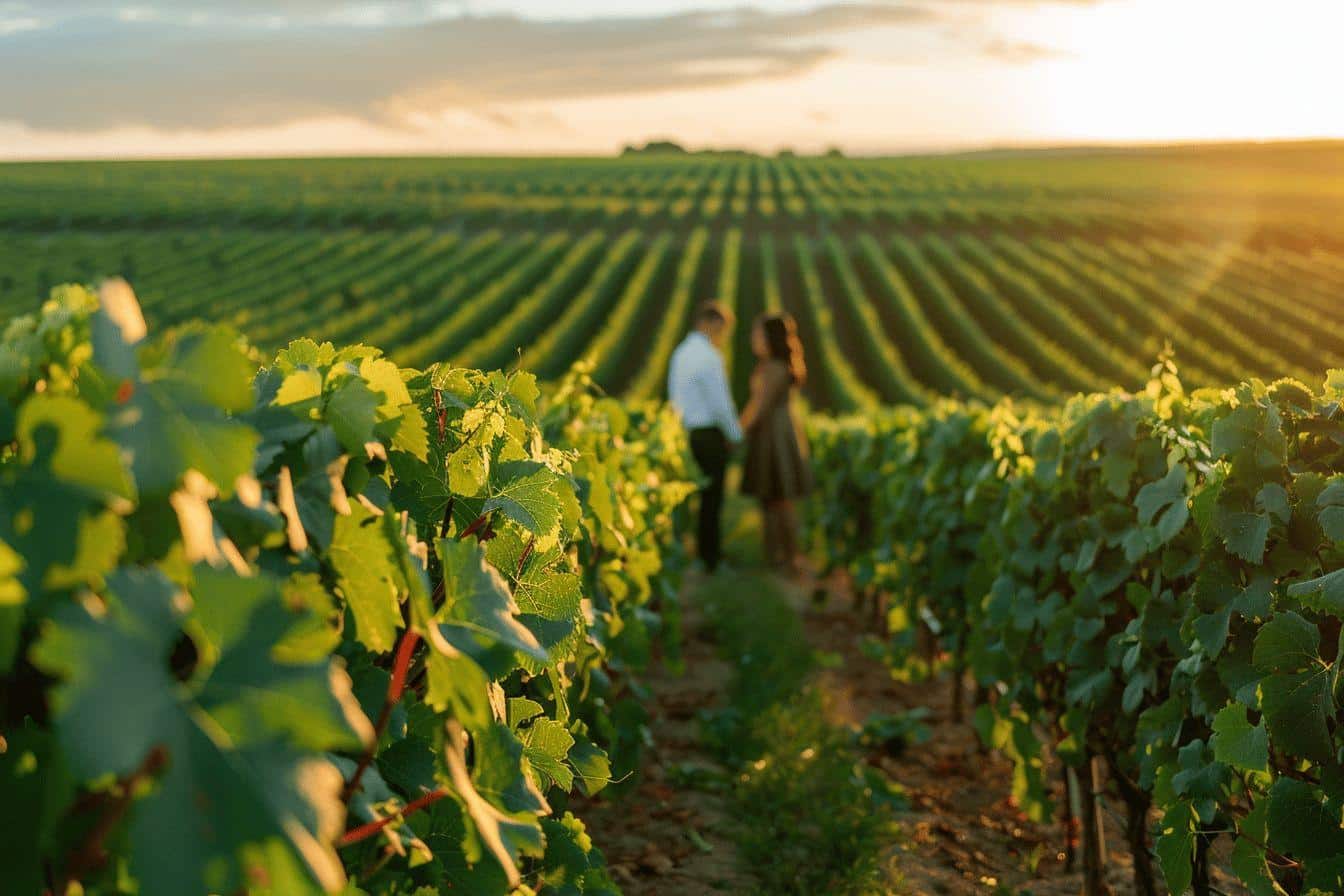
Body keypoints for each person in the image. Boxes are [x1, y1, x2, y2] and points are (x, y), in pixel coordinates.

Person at [668, 301, 742, 573]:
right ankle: (710, 558)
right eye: (721, 330)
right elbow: (720, 403)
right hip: (709, 434)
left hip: (686, 432)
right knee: (712, 499)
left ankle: (684, 554)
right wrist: (735, 434)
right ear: (707, 324)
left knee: (688, 498)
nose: (722, 337)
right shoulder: (710, 357)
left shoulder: (680, 353)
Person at [739, 312, 811, 575]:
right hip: (776, 433)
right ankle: (777, 556)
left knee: (778, 498)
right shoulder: (775, 365)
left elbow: (759, 406)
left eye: (757, 334)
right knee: (773, 497)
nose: (753, 339)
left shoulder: (773, 368)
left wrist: (736, 432)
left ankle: (787, 557)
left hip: (774, 436)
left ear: (770, 337)